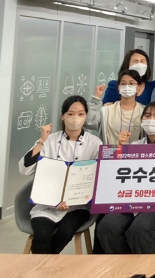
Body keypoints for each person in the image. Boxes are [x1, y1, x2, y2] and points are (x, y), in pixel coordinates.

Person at [18, 96, 102, 254]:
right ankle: (44, 266)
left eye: (80, 114)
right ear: (62, 116)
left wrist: (73, 199)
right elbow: (25, 169)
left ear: (86, 116)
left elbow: (98, 177)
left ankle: (44, 264)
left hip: (77, 206)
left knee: (65, 232)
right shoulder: (49, 140)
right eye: (70, 114)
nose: (75, 118)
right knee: (42, 235)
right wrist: (42, 139)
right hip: (46, 205)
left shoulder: (94, 143)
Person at [97, 102, 155, 255]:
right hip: (132, 201)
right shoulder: (135, 145)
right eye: (147, 116)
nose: (151, 119)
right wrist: (119, 148)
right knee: (106, 226)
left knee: (139, 229)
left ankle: (144, 267)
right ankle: (124, 264)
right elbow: (117, 176)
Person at [86, 69, 145, 144]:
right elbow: (89, 122)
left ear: (138, 88)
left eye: (131, 83)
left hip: (135, 151)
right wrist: (96, 98)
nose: (127, 86)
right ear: (118, 87)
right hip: (111, 151)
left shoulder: (144, 111)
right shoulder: (107, 111)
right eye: (123, 83)